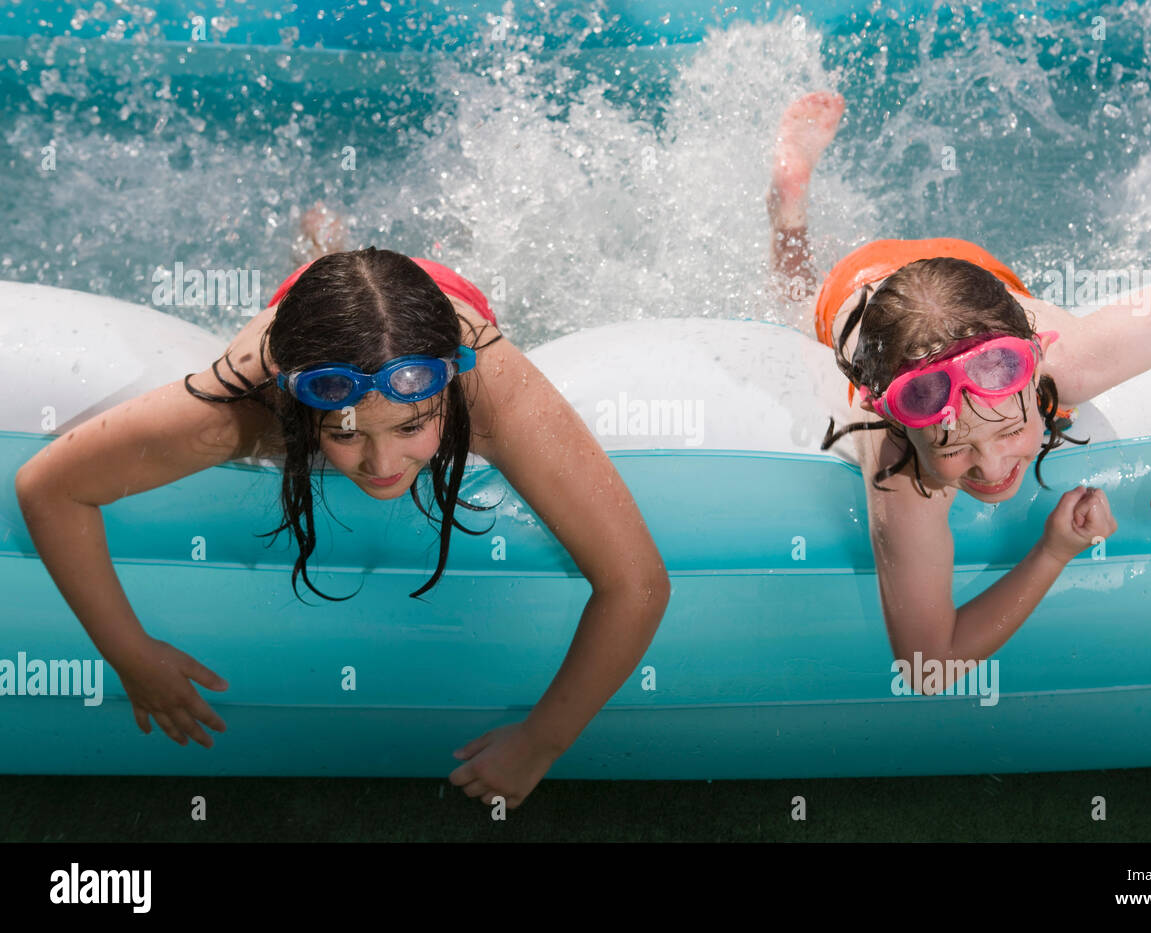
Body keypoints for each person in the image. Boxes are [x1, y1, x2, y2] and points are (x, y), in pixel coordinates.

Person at [13, 207, 670, 808]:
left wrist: (542, 741)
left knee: (389, 293)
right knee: (337, 275)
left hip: (443, 299)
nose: (382, 467)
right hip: (305, 307)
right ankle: (323, 242)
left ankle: (340, 240)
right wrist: (129, 651)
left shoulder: (489, 387)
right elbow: (48, 484)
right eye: (346, 434)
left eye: (412, 428)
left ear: (445, 394)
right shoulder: (247, 405)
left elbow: (636, 583)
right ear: (303, 413)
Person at [767, 91, 1151, 688]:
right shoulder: (902, 467)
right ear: (904, 423)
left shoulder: (1068, 361)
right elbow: (929, 667)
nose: (991, 470)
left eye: (1011, 430)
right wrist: (1051, 554)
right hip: (860, 287)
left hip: (972, 274)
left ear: (1034, 370)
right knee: (798, 300)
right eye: (954, 449)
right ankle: (788, 200)